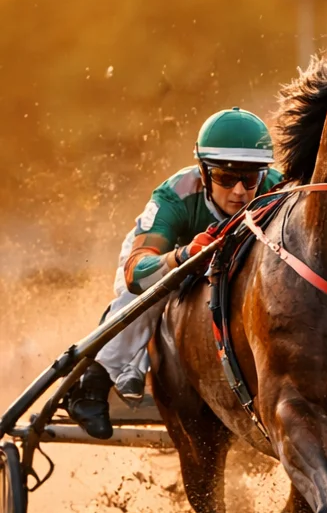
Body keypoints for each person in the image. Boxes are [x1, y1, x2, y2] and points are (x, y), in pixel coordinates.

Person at [62, 108, 284, 440]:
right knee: (152, 291)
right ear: (203, 172)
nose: (239, 191)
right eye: (225, 177)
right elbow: (136, 271)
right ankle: (91, 383)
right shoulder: (175, 193)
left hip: (231, 270)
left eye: (250, 178)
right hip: (165, 260)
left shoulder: (277, 191)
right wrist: (182, 257)